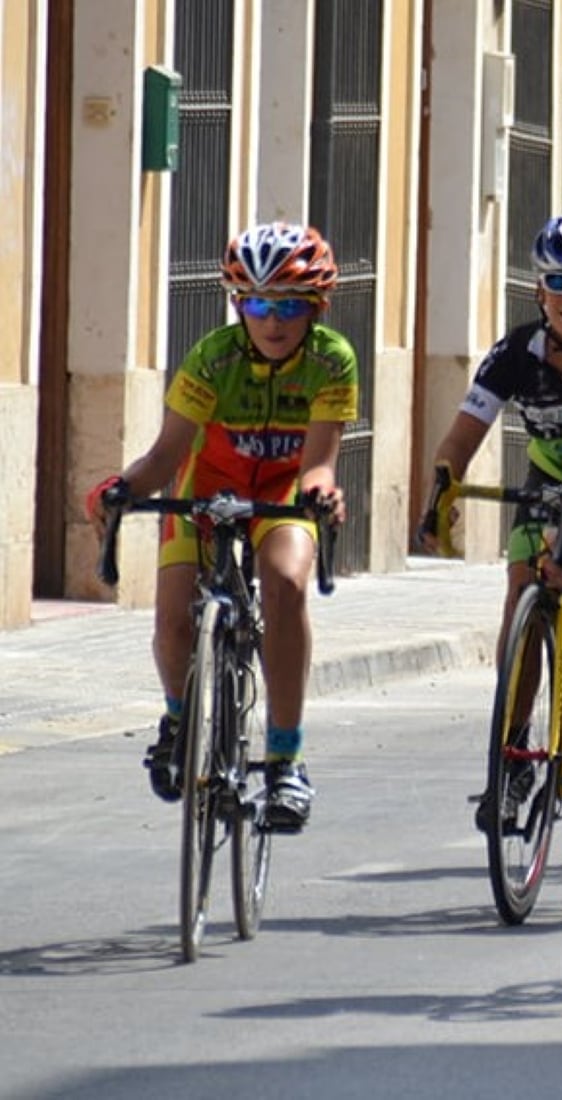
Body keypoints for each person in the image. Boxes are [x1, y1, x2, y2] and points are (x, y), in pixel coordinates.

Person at [87, 222, 354, 832]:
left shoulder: (331, 359)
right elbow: (164, 456)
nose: (273, 321)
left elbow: (318, 461)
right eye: (257, 303)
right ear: (239, 304)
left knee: (286, 584)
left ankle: (286, 758)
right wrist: (121, 489)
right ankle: (179, 717)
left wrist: (321, 495)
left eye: (289, 304)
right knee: (174, 616)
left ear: (315, 307)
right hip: (204, 488)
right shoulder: (213, 358)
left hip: (282, 488)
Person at [413, 209, 562, 832]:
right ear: (538, 289)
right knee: (521, 596)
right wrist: (440, 497)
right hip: (547, 480)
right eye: (559, 283)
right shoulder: (515, 352)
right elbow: (460, 438)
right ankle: (510, 766)